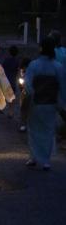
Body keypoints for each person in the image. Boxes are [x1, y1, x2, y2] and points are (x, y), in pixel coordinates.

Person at [24, 37, 66, 170]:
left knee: (33, 130)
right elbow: (62, 87)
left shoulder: (34, 65)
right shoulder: (57, 66)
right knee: (48, 131)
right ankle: (46, 160)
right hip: (51, 102)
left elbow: (28, 85)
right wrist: (61, 103)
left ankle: (33, 157)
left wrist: (31, 96)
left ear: (41, 48)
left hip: (36, 102)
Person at [2, 45, 20, 119]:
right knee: (12, 98)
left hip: (6, 81)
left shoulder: (6, 60)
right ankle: (11, 112)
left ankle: (2, 108)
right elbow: (18, 71)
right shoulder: (17, 61)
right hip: (12, 82)